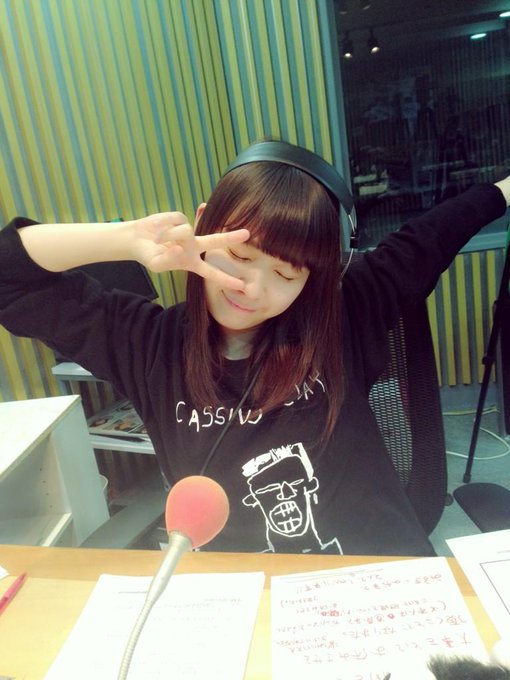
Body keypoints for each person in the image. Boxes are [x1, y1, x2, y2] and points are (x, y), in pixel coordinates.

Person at [0, 140, 509, 556]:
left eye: (286, 274)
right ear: (205, 226)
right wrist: (127, 239)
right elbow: (8, 277)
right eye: (240, 256)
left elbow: (438, 232)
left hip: (372, 580)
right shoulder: (147, 343)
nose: (253, 288)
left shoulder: (346, 314)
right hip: (244, 599)